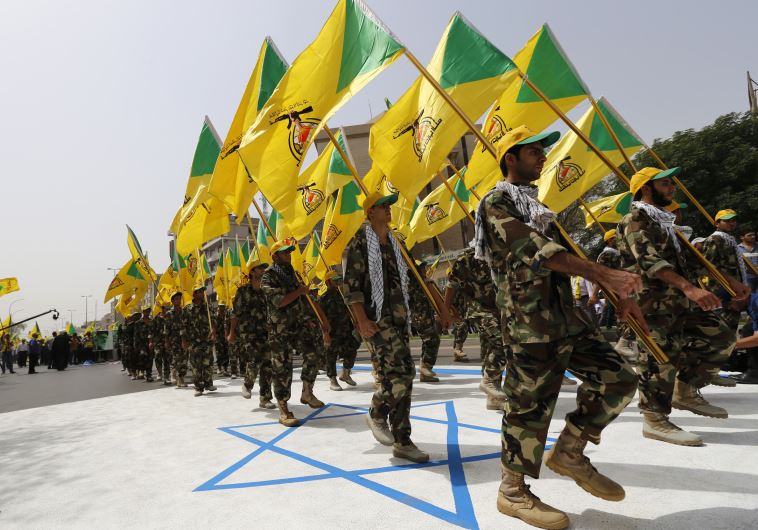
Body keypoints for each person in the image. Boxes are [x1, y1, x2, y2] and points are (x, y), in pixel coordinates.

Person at [475, 126, 641, 529]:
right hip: (530, 325)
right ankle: (512, 492)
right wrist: (608, 275)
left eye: (541, 151)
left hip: (565, 318)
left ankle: (569, 451)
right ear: (510, 159)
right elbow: (541, 253)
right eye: (534, 152)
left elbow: (567, 256)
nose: (542, 157)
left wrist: (621, 296)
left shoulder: (537, 207)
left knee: (618, 379)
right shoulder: (497, 202)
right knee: (528, 407)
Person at [617, 166, 742, 446]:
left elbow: (693, 259)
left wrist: (733, 282)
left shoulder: (665, 222)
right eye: (665, 184)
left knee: (723, 337)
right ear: (647, 188)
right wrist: (689, 288)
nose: (672, 188)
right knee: (659, 358)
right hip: (654, 302)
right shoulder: (636, 217)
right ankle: (654, 418)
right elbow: (649, 261)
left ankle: (684, 390)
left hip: (682, 301)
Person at [344, 192, 449, 464]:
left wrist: (442, 308)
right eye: (382, 206)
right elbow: (352, 287)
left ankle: (403, 440)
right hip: (377, 320)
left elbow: (416, 279)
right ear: (369, 213)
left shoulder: (396, 243)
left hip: (400, 319)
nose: (388, 210)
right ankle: (377, 411)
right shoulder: (359, 243)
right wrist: (362, 320)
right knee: (404, 373)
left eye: (389, 205)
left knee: (400, 380)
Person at [261, 240, 330, 426]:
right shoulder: (268, 277)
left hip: (299, 325)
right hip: (280, 329)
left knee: (314, 352)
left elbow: (304, 300)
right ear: (275, 256)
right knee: (282, 367)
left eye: (289, 252)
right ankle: (283, 408)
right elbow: (279, 301)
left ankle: (307, 392)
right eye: (284, 253)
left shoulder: (293, 274)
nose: (289, 255)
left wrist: (317, 320)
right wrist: (299, 291)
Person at [445, 243, 511, 410]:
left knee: (489, 350)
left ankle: (493, 397)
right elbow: (452, 285)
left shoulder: (503, 253)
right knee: (501, 340)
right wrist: (446, 309)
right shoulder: (468, 258)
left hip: (499, 308)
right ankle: (489, 380)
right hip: (477, 308)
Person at [703, 209, 751, 387]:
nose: (732, 223)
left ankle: (713, 371)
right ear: (717, 223)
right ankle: (707, 372)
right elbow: (711, 268)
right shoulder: (715, 239)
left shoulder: (729, 240)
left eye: (734, 220)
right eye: (727, 220)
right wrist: (730, 292)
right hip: (723, 295)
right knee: (719, 334)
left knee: (728, 333)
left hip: (734, 293)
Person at [229, 258, 276, 409]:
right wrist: (232, 333)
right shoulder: (242, 291)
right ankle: (247, 385)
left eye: (263, 269)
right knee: (255, 359)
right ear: (252, 272)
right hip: (248, 333)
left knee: (267, 364)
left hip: (265, 332)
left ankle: (265, 398)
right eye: (259, 269)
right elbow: (235, 313)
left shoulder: (265, 291)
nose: (263, 271)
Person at [318, 270, 361, 389]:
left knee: (353, 347)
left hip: (346, 330)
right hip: (332, 332)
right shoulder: (324, 298)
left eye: (339, 280)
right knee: (331, 355)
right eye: (335, 280)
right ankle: (332, 379)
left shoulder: (343, 295)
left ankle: (346, 373)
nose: (338, 282)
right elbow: (321, 318)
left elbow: (350, 311)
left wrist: (356, 322)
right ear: (328, 282)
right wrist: (325, 334)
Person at [408, 261, 444, 383]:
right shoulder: (411, 283)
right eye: (422, 268)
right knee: (432, 339)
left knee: (431, 340)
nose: (425, 270)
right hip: (418, 317)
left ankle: (425, 370)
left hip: (427, 316)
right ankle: (425, 368)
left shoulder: (425, 282)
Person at [181, 284, 217, 396]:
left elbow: (214, 320)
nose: (202, 293)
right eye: (200, 291)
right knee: (195, 365)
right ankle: (198, 387)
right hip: (193, 341)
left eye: (203, 291)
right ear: (194, 294)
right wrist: (184, 341)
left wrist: (214, 331)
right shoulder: (187, 309)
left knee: (208, 363)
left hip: (206, 339)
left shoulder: (207, 307)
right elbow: (183, 327)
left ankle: (208, 383)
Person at [728, 292, 758, 383]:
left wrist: (729, 346)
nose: (730, 308)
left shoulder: (755, 304)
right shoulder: (752, 302)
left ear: (736, 298)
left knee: (749, 330)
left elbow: (757, 339)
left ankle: (755, 374)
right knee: (748, 328)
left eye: (729, 304)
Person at [165, 291, 188, 388]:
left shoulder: (184, 312)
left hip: (184, 339)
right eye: (176, 299)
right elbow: (166, 329)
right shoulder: (169, 314)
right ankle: (177, 377)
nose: (179, 301)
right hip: (174, 339)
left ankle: (180, 377)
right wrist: (167, 342)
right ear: (173, 301)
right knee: (177, 358)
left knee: (184, 359)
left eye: (180, 299)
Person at [737, 226, 757, 292]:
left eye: (753, 235)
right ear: (742, 237)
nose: (753, 237)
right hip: (747, 278)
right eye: (749, 235)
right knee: (750, 295)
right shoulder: (737, 249)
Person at [213, 304, 230, 377]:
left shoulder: (226, 316)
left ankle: (225, 369)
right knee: (219, 353)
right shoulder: (215, 317)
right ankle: (219, 368)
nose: (222, 309)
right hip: (218, 338)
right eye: (221, 307)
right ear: (218, 307)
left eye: (223, 307)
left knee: (226, 353)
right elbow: (213, 327)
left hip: (225, 337)